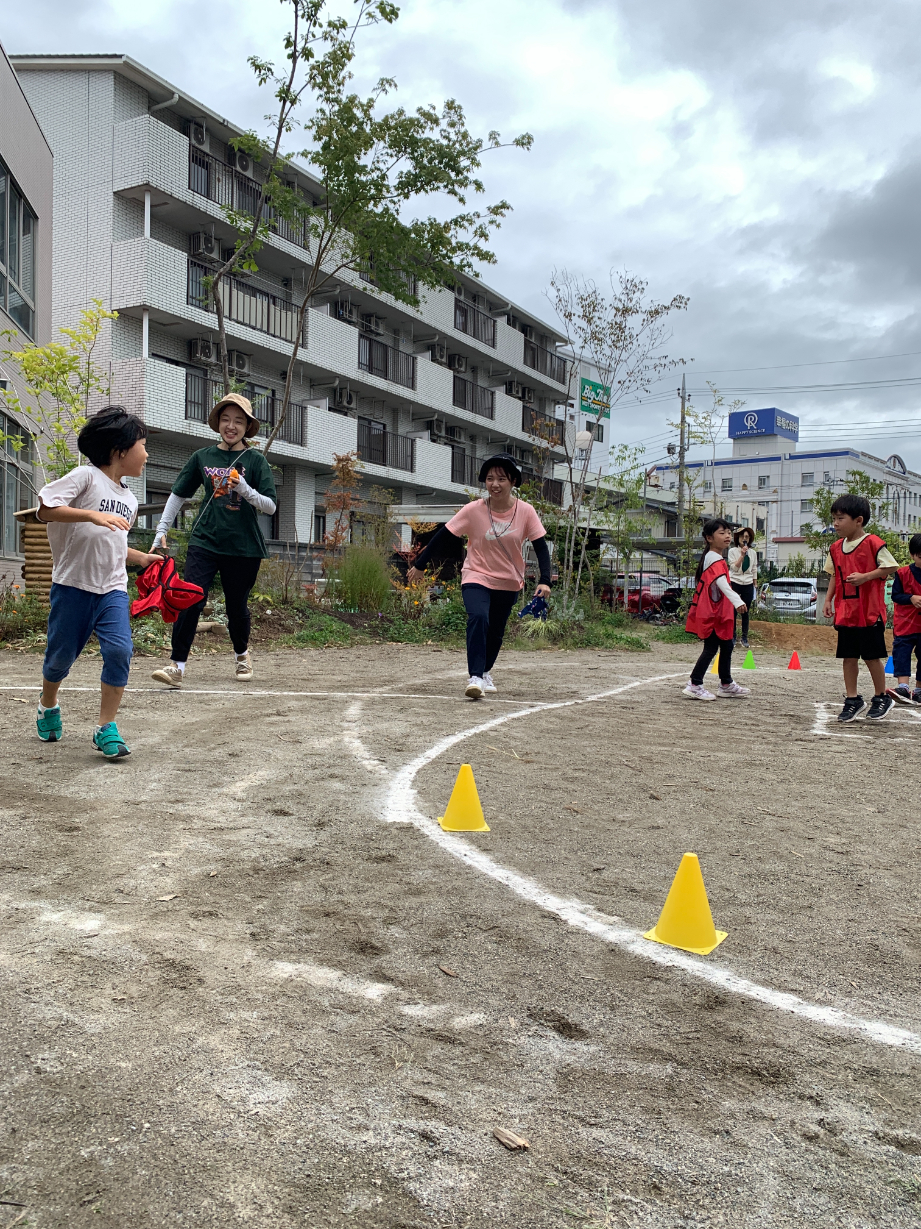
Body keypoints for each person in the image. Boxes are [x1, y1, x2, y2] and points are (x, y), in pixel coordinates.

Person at [35, 406, 161, 757]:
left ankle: (106, 727)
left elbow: (112, 544)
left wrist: (141, 558)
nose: (147, 455)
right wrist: (91, 514)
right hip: (72, 586)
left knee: (120, 651)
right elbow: (45, 509)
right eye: (143, 446)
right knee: (59, 658)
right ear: (119, 451)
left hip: (112, 590)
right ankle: (48, 704)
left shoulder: (130, 500)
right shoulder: (85, 477)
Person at [149, 393, 277, 688]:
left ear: (247, 427)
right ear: (218, 422)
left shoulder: (256, 461)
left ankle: (242, 654)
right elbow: (178, 494)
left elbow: (270, 506)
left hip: (244, 547)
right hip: (205, 540)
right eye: (226, 419)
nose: (231, 426)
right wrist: (161, 529)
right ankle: (177, 666)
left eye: (238, 421)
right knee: (190, 598)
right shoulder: (202, 457)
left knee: (236, 607)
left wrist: (244, 488)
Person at [407, 453, 551, 699]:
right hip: (476, 575)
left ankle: (485, 672)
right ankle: (475, 677)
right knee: (479, 617)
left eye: (502, 479)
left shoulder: (526, 511)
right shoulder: (473, 510)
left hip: (508, 581)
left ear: (513, 481)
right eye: (490, 478)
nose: (495, 484)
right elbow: (443, 537)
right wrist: (420, 565)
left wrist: (545, 580)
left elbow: (541, 547)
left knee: (496, 631)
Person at [822, 493, 899, 722]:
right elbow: (834, 575)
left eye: (840, 518)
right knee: (848, 657)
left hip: (869, 612)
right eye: (834, 518)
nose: (836, 523)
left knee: (872, 657)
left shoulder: (872, 542)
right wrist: (828, 600)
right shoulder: (835, 548)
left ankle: (881, 696)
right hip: (847, 612)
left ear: (858, 520)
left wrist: (866, 576)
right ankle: (853, 699)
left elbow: (891, 566)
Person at [683, 517, 750, 701]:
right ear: (709, 538)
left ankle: (726, 684)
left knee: (727, 644)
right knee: (711, 647)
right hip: (713, 612)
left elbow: (725, 578)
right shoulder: (713, 558)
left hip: (719, 611)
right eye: (722, 533)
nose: (727, 536)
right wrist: (737, 601)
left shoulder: (716, 558)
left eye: (728, 532)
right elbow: (722, 583)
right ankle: (695, 684)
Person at [887, 532, 921, 704]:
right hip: (906, 624)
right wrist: (911, 598)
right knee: (901, 653)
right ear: (912, 555)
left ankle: (919, 690)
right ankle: (903, 687)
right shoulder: (902, 573)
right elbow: (895, 595)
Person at [728, 526, 758, 647]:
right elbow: (734, 568)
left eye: (747, 537)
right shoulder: (732, 551)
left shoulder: (753, 553)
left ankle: (744, 638)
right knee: (733, 611)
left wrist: (755, 583)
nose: (744, 539)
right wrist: (741, 555)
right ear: (738, 538)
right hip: (735, 581)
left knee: (745, 611)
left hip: (748, 583)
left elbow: (754, 568)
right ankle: (733, 636)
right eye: (742, 536)